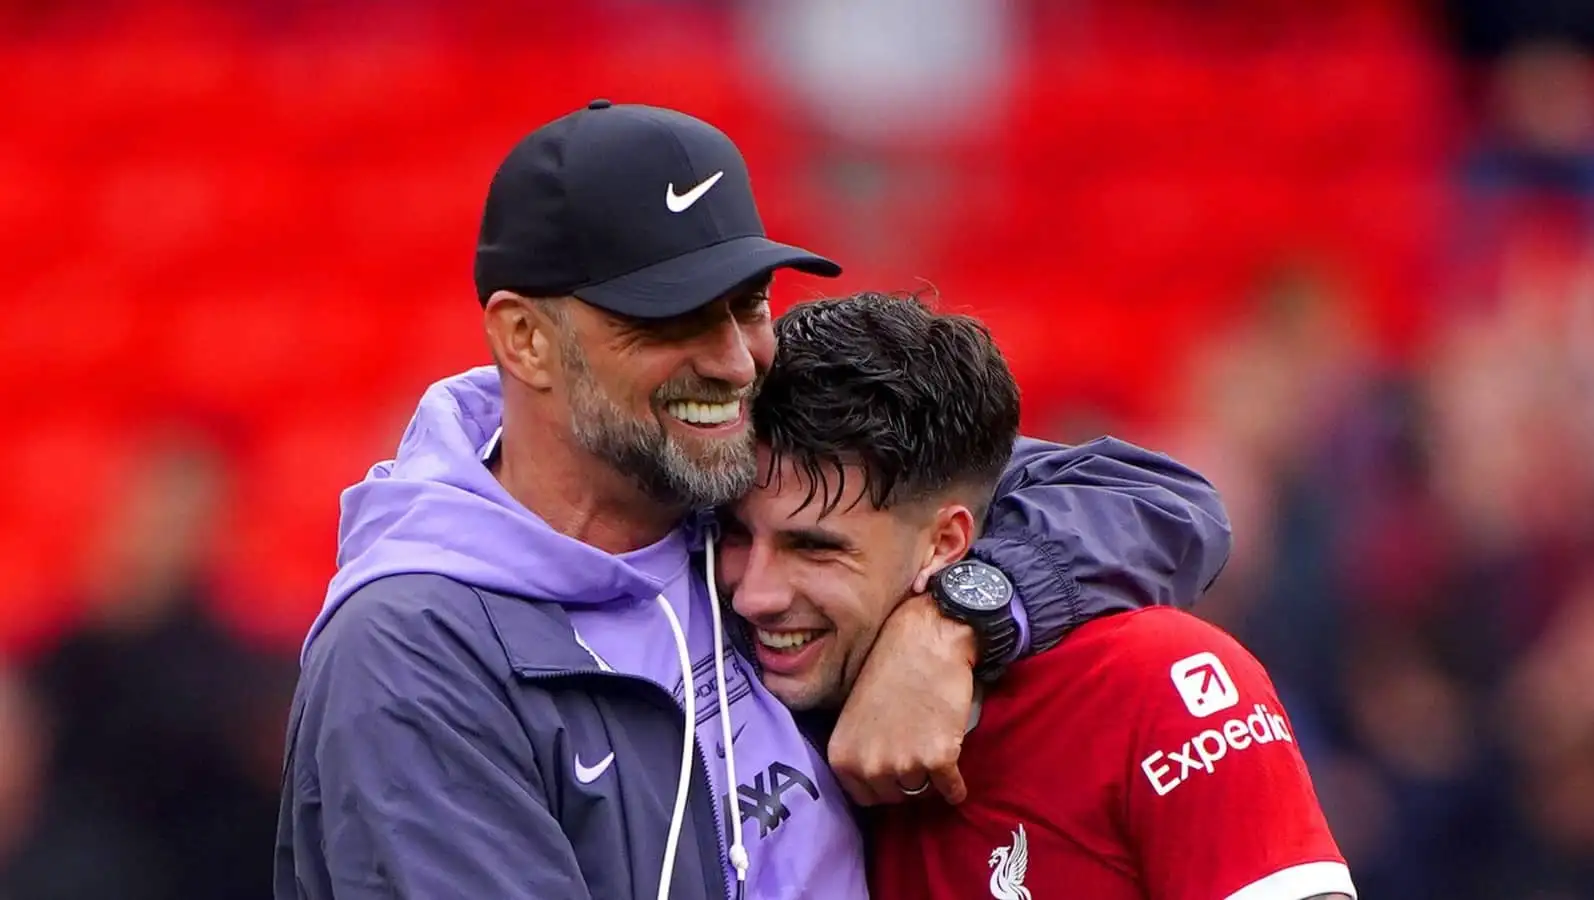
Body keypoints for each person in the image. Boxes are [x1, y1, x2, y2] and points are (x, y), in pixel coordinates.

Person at [275, 102, 1232, 900]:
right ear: (526, 341)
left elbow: (1155, 498)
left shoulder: (738, 482)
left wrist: (955, 621)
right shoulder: (412, 653)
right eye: (672, 319)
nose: (736, 363)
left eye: (747, 305)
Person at [721, 292, 1355, 900]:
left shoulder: (1157, 684)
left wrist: (949, 619)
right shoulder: (697, 669)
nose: (754, 594)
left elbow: (1164, 498)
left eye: (816, 549)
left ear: (946, 542)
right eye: (734, 535)